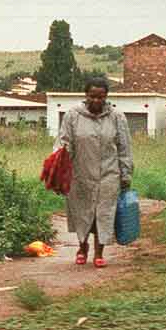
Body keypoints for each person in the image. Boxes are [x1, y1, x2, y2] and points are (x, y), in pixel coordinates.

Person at [54, 75, 133, 267]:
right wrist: (58, 169)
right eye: (92, 96)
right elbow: (64, 142)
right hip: (80, 173)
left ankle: (99, 252)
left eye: (100, 97)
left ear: (106, 97)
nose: (96, 101)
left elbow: (124, 147)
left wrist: (126, 173)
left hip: (109, 174)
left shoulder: (117, 117)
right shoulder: (73, 115)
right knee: (82, 212)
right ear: (86, 95)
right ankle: (82, 247)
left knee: (103, 214)